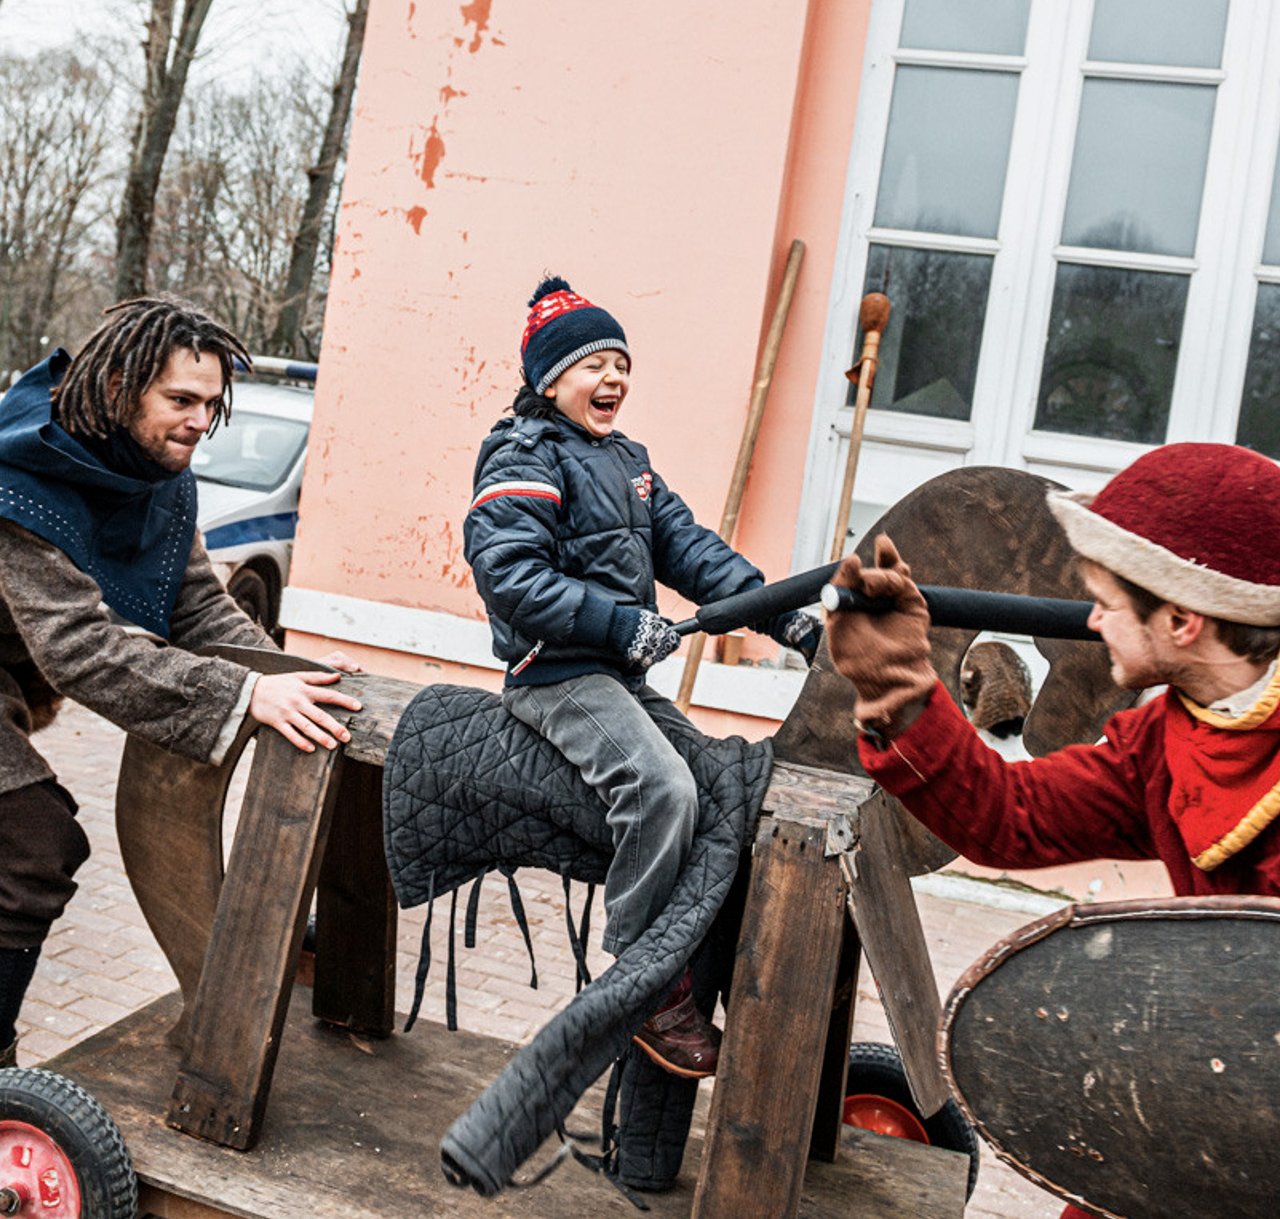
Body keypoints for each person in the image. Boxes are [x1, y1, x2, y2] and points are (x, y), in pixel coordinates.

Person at [823, 441, 1280, 1219]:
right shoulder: (1164, 741)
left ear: (1181, 618)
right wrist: (901, 691)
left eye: (1108, 600)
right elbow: (1013, 817)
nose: (1092, 617)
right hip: (1205, 1110)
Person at [463, 276, 820, 1079]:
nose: (614, 378)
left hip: (619, 673)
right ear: (550, 379)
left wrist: (781, 612)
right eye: (595, 363)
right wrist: (621, 622)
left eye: (622, 362)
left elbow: (690, 551)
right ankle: (641, 981)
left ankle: (693, 955)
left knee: (719, 781)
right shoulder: (522, 455)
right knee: (663, 789)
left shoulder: (629, 463)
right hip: (554, 674)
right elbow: (509, 577)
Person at [0, 295, 363, 1070]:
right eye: (182, 400)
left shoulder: (157, 473)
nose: (202, 420)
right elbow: (81, 649)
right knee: (32, 847)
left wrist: (294, 675)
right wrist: (240, 696)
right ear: (122, 384)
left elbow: (195, 605)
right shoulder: (18, 479)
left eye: (211, 403)